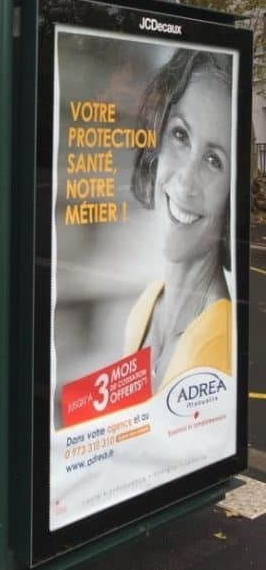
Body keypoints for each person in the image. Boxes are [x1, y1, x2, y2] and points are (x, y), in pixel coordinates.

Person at [124, 49, 233, 392]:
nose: (186, 181)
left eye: (214, 160)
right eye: (181, 135)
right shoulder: (145, 307)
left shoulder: (218, 342)